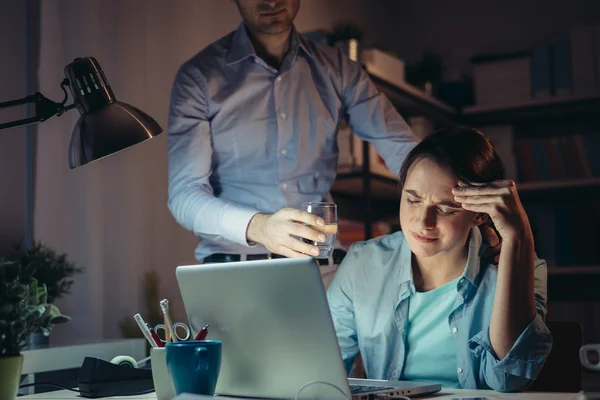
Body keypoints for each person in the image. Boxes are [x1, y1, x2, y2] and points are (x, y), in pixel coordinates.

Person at [167, 0, 418, 263]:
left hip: (321, 262)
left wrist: (451, 187)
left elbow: (400, 145)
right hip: (233, 266)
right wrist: (259, 227)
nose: (272, 1)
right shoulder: (199, 77)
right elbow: (185, 194)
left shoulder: (339, 70)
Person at [326, 126, 552, 391]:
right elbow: (319, 369)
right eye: (412, 200)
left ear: (479, 214)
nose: (423, 222)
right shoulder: (362, 264)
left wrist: (518, 237)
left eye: (445, 210)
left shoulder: (521, 267)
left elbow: (509, 380)